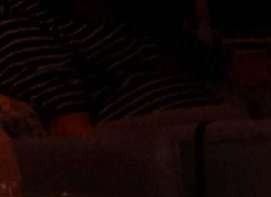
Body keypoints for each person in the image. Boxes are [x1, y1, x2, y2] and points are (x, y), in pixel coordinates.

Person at [0, 0, 215, 134]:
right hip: (150, 169)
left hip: (211, 140)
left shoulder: (139, 17)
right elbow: (73, 137)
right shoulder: (25, 22)